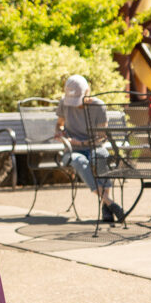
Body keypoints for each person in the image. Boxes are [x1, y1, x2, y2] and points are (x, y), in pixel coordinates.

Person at [54, 74, 124, 223]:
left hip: (94, 146)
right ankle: (109, 203)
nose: (75, 105)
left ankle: (106, 206)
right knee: (80, 162)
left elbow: (101, 137)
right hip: (71, 151)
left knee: (101, 157)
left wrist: (81, 143)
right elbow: (59, 124)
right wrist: (60, 133)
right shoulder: (63, 103)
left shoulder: (98, 106)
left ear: (88, 92)